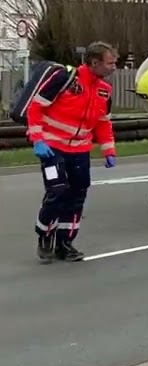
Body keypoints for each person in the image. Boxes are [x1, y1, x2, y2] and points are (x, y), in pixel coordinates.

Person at [26, 42, 118, 263]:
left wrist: (108, 150)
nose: (114, 67)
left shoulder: (105, 90)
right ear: (95, 62)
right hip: (52, 149)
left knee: (77, 195)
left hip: (80, 151)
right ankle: (45, 235)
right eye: (110, 63)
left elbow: (103, 123)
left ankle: (65, 242)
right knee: (57, 190)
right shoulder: (65, 80)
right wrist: (37, 140)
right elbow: (35, 107)